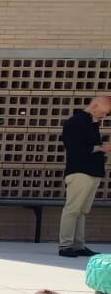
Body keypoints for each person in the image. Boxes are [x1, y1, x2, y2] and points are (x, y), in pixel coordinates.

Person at [58, 96, 111, 258]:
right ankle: (65, 245)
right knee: (73, 209)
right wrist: (102, 148)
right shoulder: (76, 122)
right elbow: (74, 148)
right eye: (104, 112)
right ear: (95, 106)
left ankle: (78, 245)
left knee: (81, 211)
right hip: (80, 172)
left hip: (92, 171)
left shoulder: (91, 123)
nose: (104, 116)